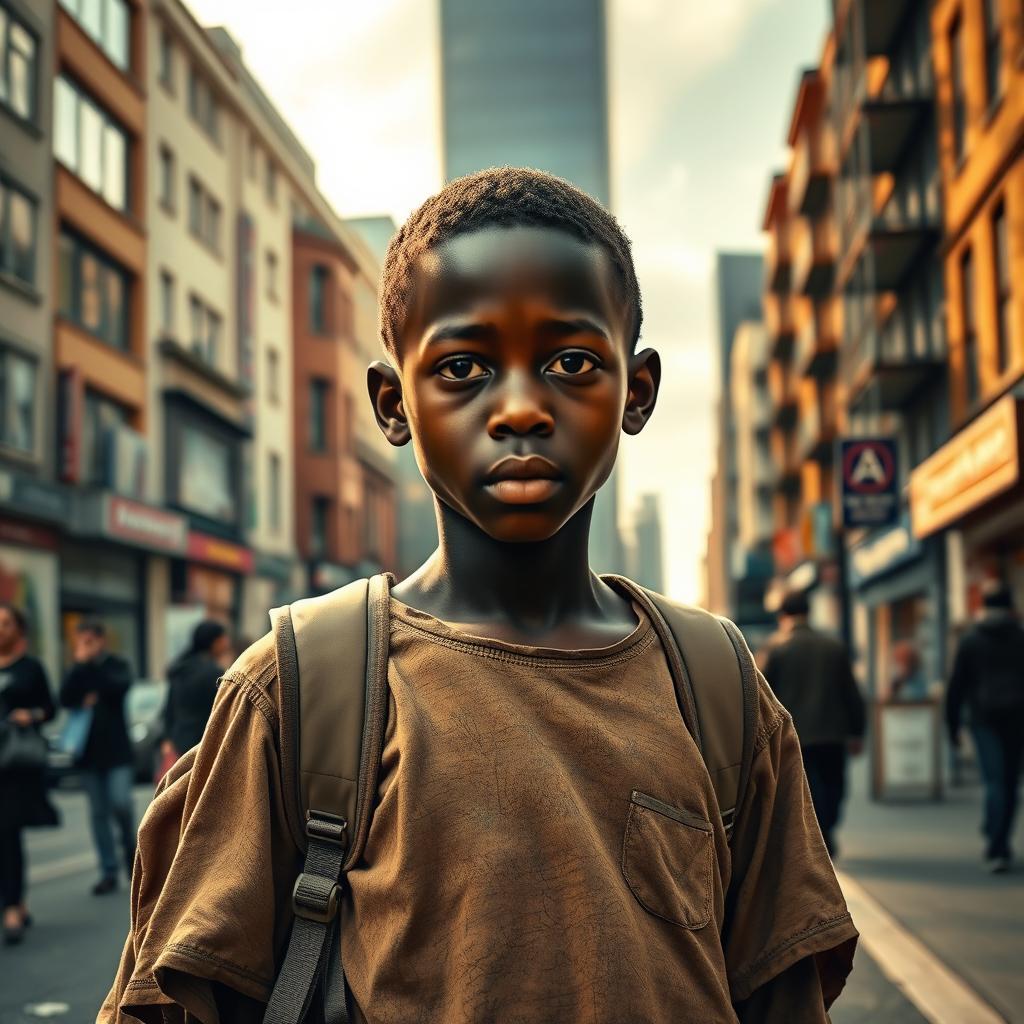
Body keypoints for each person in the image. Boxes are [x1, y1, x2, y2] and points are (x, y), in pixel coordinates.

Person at [101, 168, 857, 1023]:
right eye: (463, 367)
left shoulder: (717, 687)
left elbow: (783, 998)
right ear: (395, 404)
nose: (522, 409)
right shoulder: (301, 689)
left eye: (572, 362)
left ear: (635, 391)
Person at [762, 591, 866, 857]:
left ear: (783, 616)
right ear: (809, 612)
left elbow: (761, 697)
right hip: (833, 733)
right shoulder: (833, 646)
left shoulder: (775, 648)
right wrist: (857, 731)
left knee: (805, 789)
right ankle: (828, 829)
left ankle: (818, 836)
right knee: (834, 785)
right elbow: (850, 691)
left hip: (795, 736)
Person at [947, 583, 1024, 873]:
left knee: (994, 781)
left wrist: (952, 725)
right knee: (1009, 781)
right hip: (1017, 719)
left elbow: (957, 686)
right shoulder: (1020, 637)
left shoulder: (971, 639)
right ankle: (1001, 841)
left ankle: (995, 842)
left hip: (983, 720)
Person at [60, 618, 135, 896]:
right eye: (81, 641)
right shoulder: (77, 668)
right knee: (98, 814)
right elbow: (64, 697)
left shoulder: (116, 665)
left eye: (90, 640)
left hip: (117, 752)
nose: (85, 646)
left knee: (121, 804)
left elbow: (118, 688)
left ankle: (131, 850)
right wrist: (80, 665)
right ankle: (108, 870)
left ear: (101, 640)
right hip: (89, 755)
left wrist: (92, 667)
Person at [0, 605, 56, 945]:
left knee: (7, 832)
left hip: (15, 763)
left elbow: (51, 708)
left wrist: (30, 715)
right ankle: (16, 899)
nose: (0, 630)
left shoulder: (31, 668)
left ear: (19, 630)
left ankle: (10, 907)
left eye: (6, 623)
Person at [160, 620, 231, 767]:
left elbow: (169, 708)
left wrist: (167, 738)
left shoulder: (181, 669)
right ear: (214, 642)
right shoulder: (214, 673)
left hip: (180, 742)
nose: (227, 642)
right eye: (223, 638)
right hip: (205, 743)